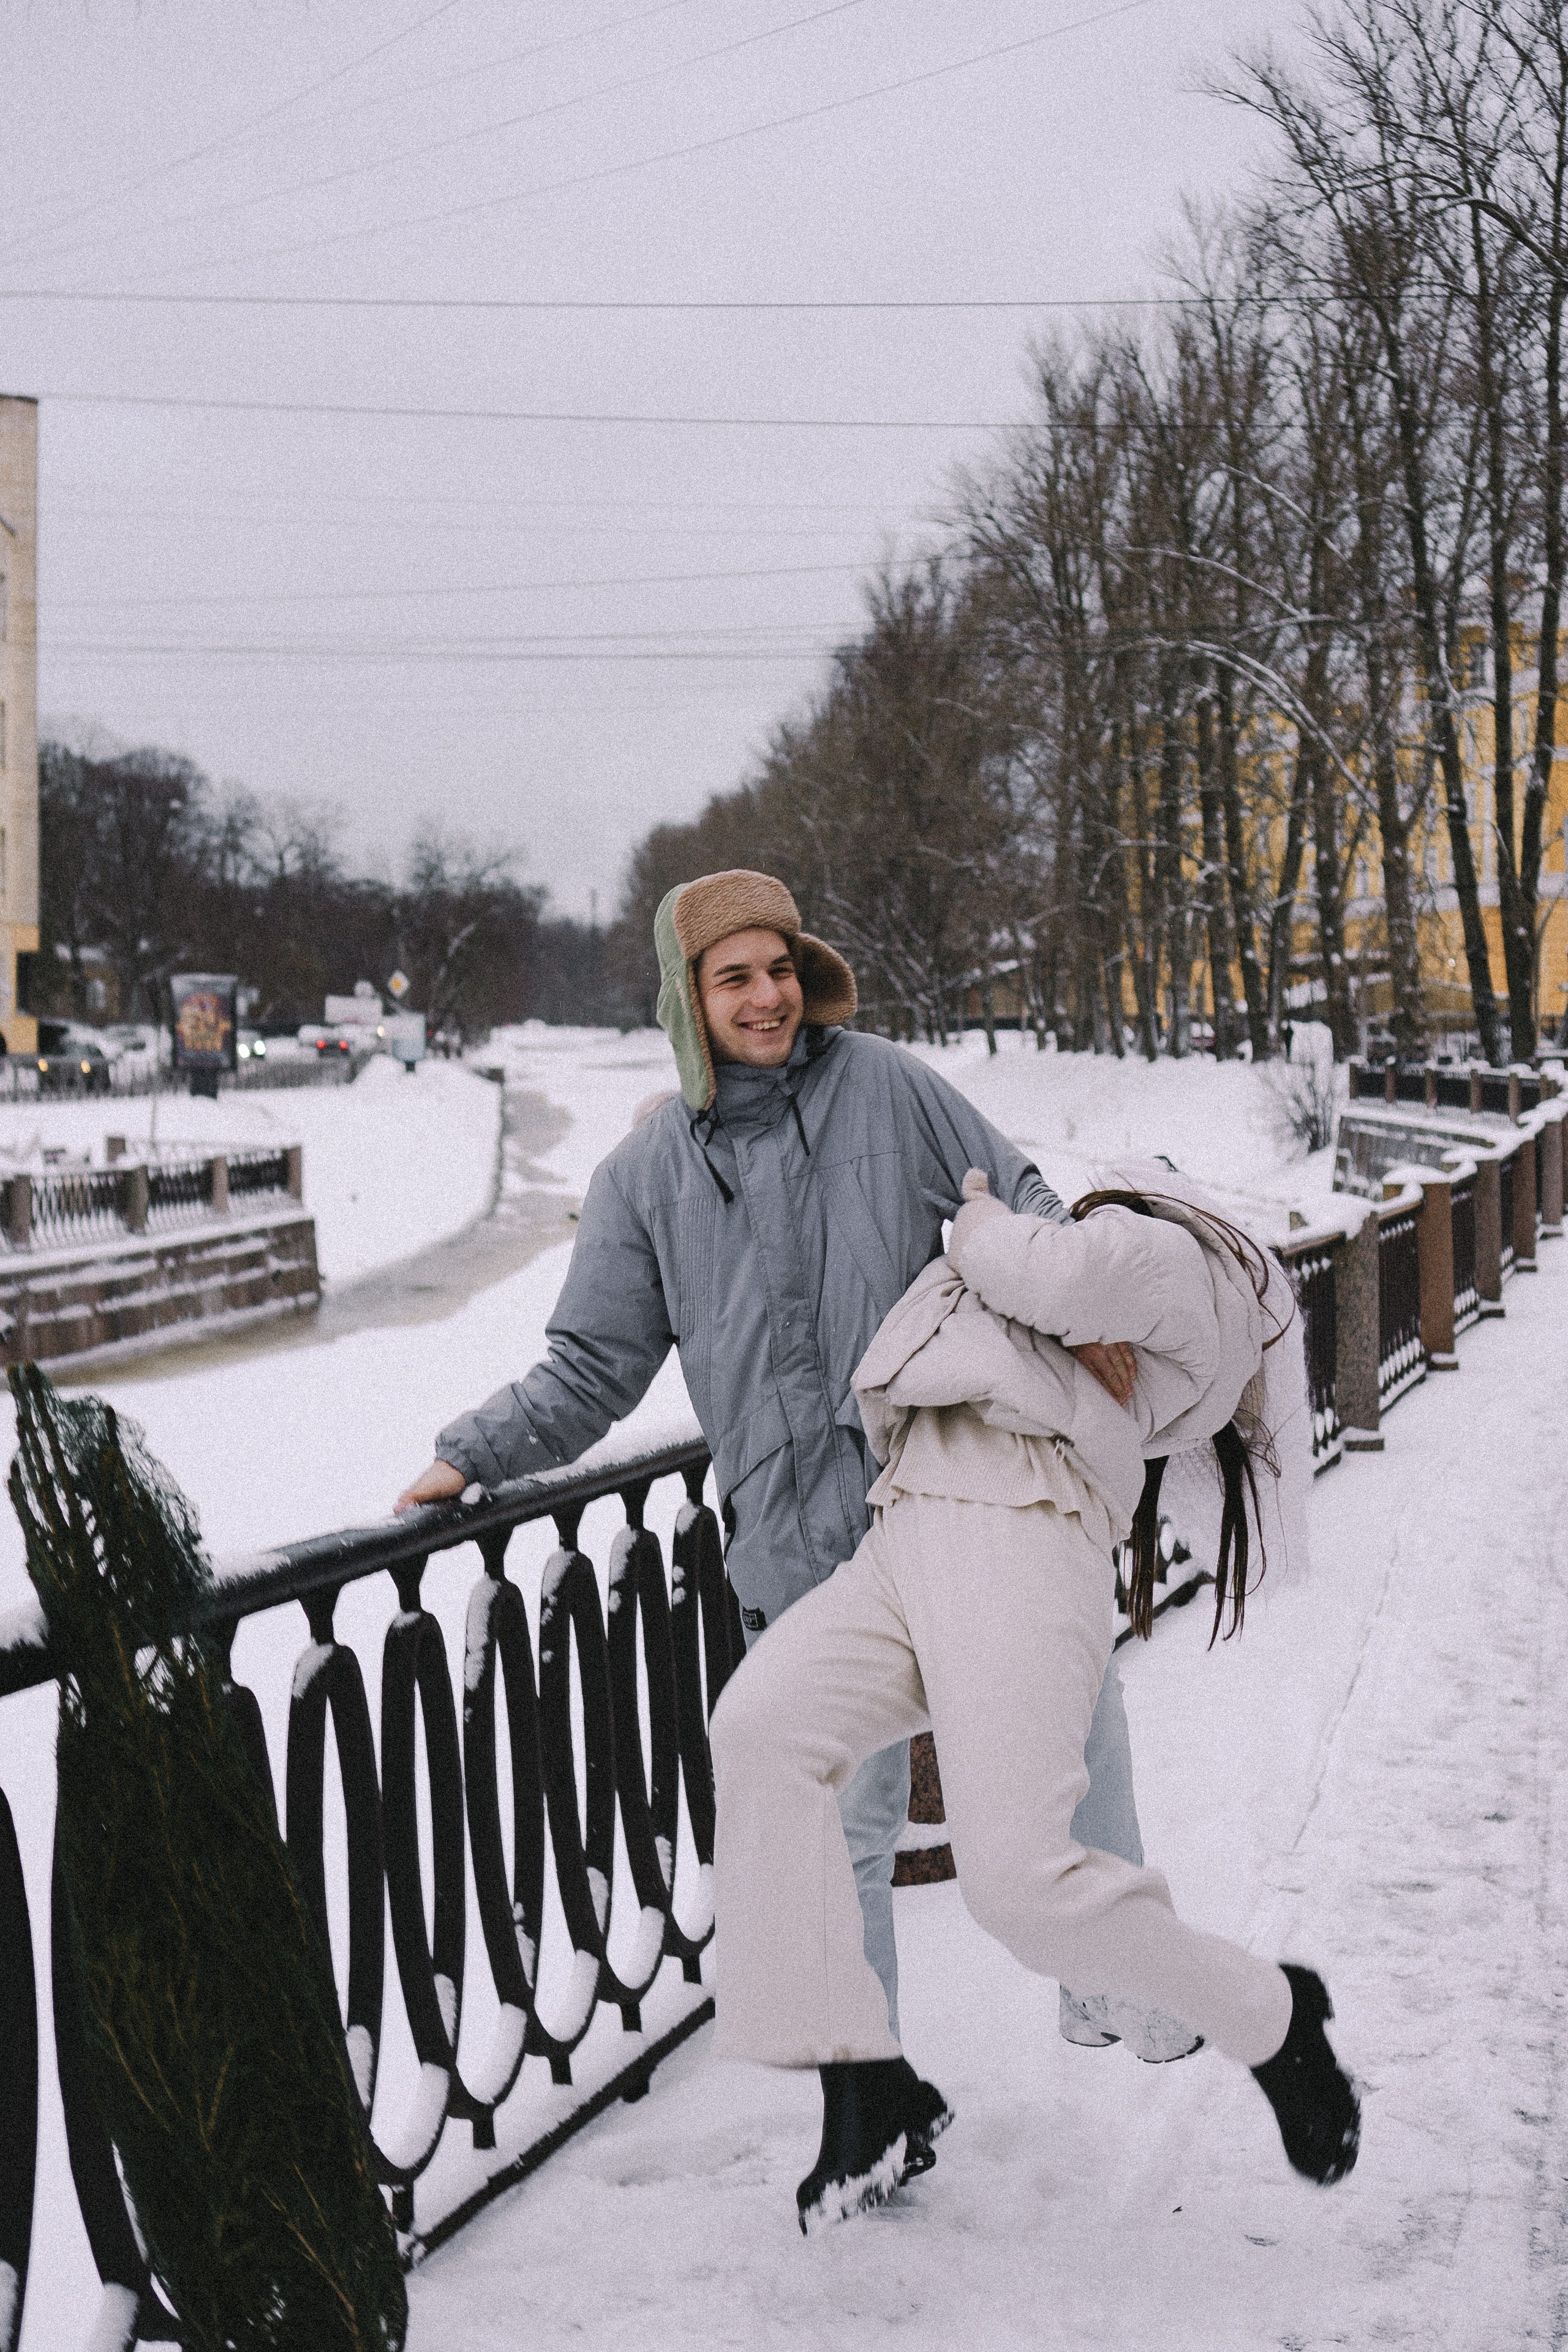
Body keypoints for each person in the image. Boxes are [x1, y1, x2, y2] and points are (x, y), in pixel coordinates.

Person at [396, 870, 1171, 2128]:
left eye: (779, 970)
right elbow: (594, 1364)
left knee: (1076, 1733)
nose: (766, 999)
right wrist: (473, 1452)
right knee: (834, 1833)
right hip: (806, 1544)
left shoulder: (890, 1088)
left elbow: (1024, 1198)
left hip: (966, 1498)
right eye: (733, 977)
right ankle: (870, 2104)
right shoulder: (646, 1174)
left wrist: (1078, 1303)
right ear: (685, 998)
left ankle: (1112, 1974)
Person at [709, 1166, 1359, 2232]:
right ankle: (866, 2075)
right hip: (910, 1515)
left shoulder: (1181, 1268)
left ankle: (1273, 2018)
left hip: (1021, 1526)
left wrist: (978, 1217)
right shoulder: (1099, 1291)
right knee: (763, 1733)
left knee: (1018, 1886)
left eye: (1115, 1192)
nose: (1092, 1196)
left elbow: (1025, 1263)